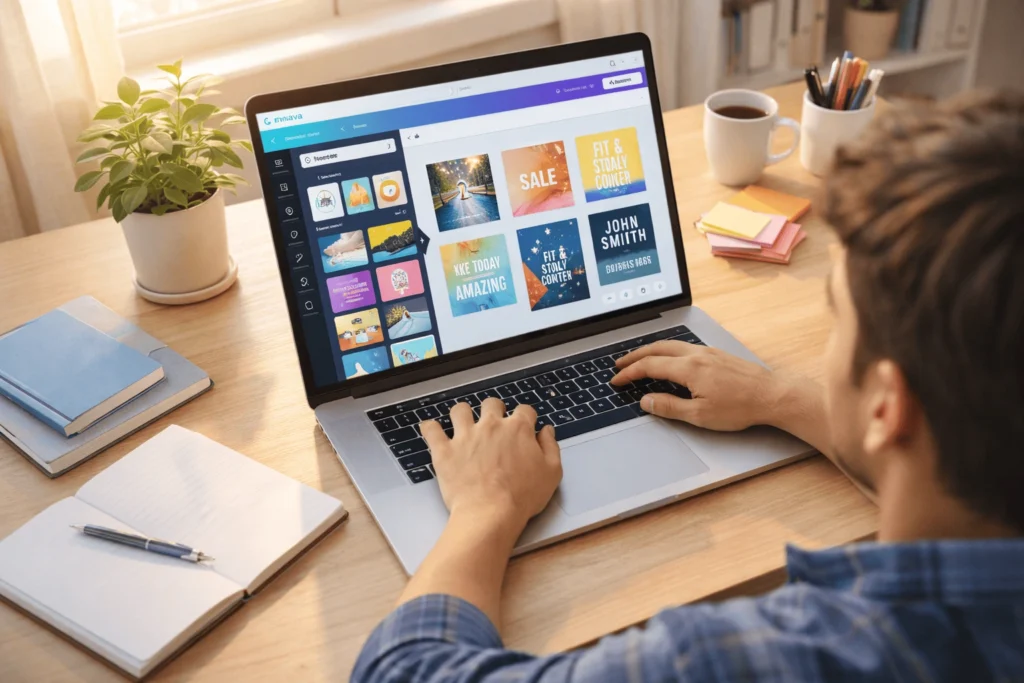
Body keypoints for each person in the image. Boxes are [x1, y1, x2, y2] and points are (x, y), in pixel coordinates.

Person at [352, 92, 1024, 682]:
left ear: (887, 405)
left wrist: (484, 506)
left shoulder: (757, 658)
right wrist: (779, 396)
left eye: (838, 312)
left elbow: (406, 670)